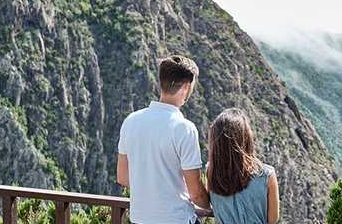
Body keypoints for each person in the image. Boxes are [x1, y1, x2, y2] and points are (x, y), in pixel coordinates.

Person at [117, 55, 210, 224]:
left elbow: (122, 177)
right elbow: (196, 193)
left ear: (161, 83)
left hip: (140, 219)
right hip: (176, 219)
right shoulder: (184, 128)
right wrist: (213, 206)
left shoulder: (130, 121)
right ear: (186, 87)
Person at [207, 108, 280, 224]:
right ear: (246, 138)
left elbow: (210, 204)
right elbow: (272, 220)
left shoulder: (211, 171)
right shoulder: (267, 175)